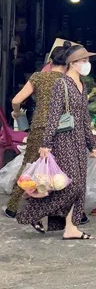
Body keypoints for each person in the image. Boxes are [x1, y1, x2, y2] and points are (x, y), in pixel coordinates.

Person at [16, 42, 96, 239]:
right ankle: (33, 212)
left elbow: (84, 118)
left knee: (81, 187)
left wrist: (91, 144)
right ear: (72, 63)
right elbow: (53, 115)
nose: (87, 64)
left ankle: (71, 228)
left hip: (79, 141)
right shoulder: (61, 84)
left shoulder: (83, 86)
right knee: (72, 186)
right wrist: (46, 144)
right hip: (63, 140)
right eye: (84, 60)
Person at [3, 45, 68, 225]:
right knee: (61, 171)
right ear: (68, 64)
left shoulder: (38, 77)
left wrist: (16, 113)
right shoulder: (68, 81)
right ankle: (61, 211)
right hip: (61, 129)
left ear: (50, 61)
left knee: (28, 165)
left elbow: (16, 100)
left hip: (39, 127)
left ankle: (12, 207)